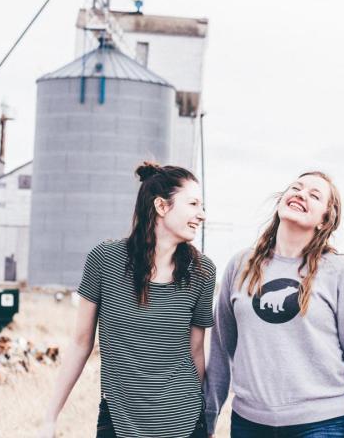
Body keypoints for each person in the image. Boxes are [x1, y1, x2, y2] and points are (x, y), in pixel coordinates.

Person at [40, 162, 216, 438]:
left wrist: (204, 420)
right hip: (119, 420)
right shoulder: (105, 259)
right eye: (193, 204)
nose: (201, 215)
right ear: (161, 206)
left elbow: (196, 352)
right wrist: (50, 418)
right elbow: (80, 343)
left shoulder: (203, 272)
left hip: (184, 420)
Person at [204, 171, 344, 438]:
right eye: (296, 187)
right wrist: (208, 420)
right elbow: (220, 349)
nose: (301, 194)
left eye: (314, 195)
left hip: (323, 423)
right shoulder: (240, 265)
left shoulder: (339, 272)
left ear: (325, 219)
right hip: (249, 423)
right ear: (281, 202)